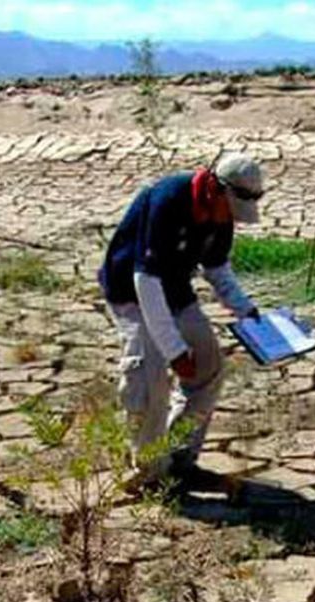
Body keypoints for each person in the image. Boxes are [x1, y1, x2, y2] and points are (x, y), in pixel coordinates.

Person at [98, 153, 264, 491]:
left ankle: (177, 458)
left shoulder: (222, 214)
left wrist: (245, 309)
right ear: (216, 190)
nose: (229, 219)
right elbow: (145, 281)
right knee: (150, 378)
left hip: (174, 289)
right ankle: (148, 472)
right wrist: (174, 351)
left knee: (209, 367)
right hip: (132, 291)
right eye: (230, 209)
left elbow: (216, 268)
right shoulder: (167, 199)